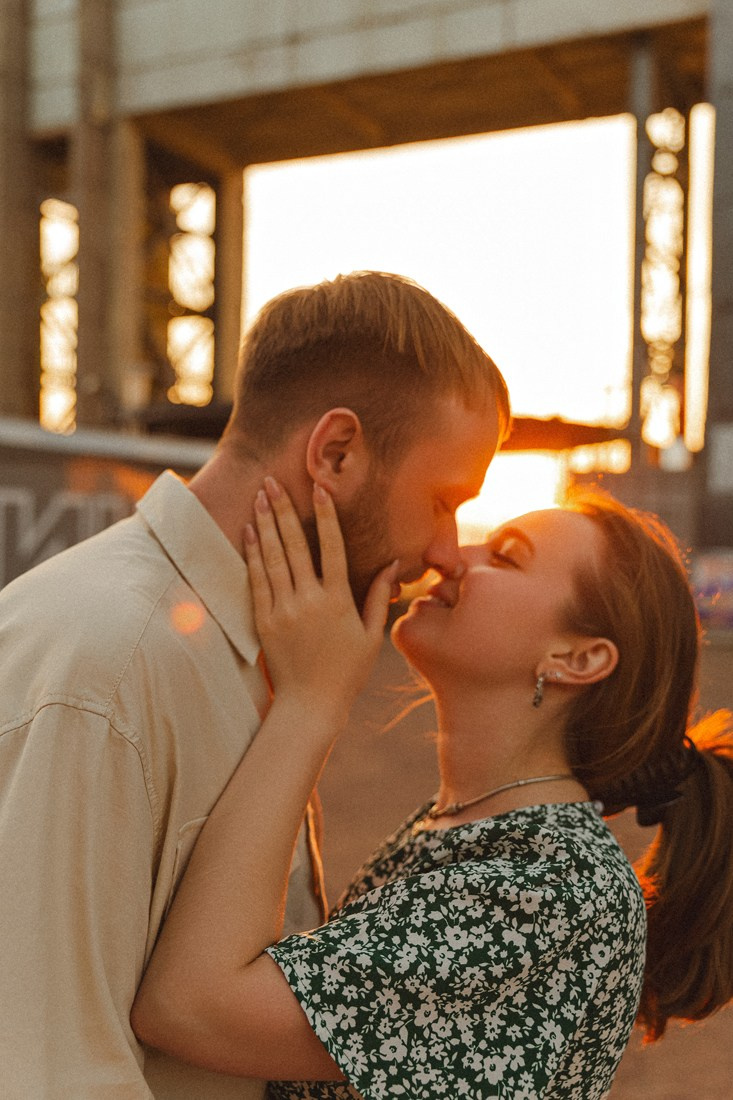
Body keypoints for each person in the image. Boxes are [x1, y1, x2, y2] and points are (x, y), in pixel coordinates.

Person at [0, 271, 509, 1098]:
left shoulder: (252, 648)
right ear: (335, 454)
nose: (449, 550)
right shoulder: (107, 664)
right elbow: (48, 1072)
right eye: (444, 499)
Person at [132, 482, 733, 1099]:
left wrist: (312, 703)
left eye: (506, 556)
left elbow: (189, 1007)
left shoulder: (557, 893)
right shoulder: (463, 828)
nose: (452, 557)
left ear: (576, 659)